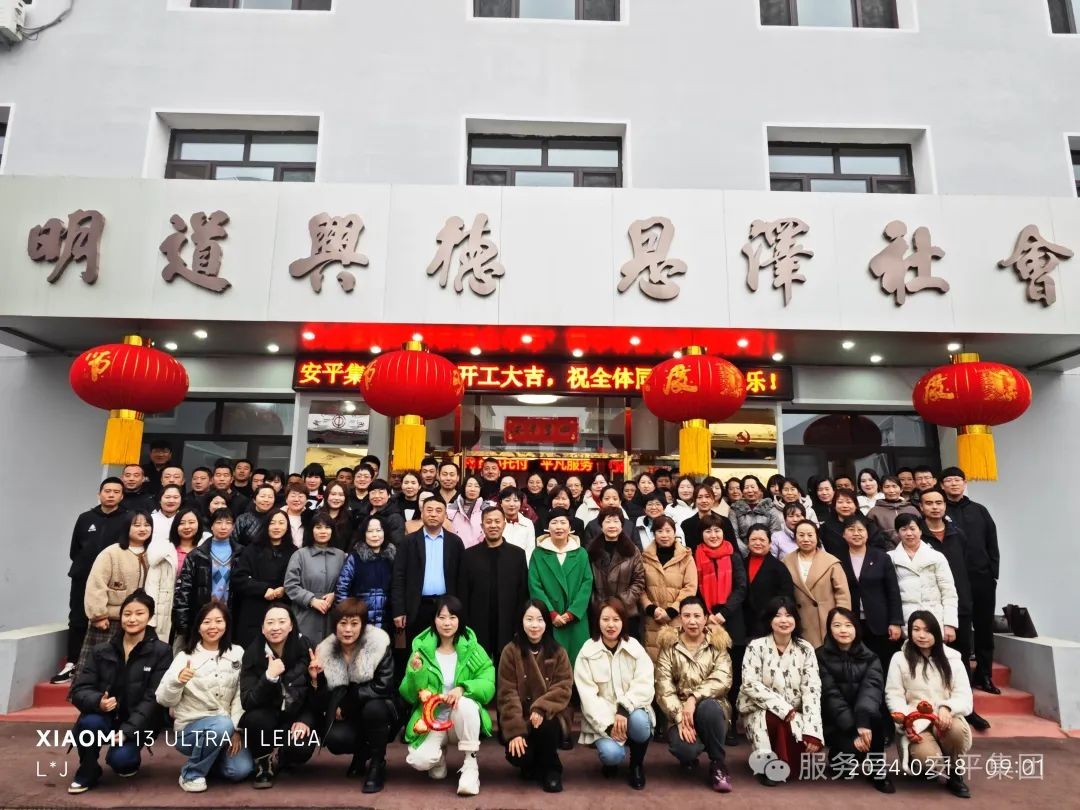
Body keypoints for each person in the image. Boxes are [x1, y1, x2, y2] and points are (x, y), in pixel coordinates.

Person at [66, 590, 172, 794]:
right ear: (121, 616)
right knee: (89, 723)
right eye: (127, 614)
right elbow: (79, 689)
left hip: (136, 721)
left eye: (139, 613)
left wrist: (128, 730)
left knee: (122, 761)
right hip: (104, 716)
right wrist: (98, 701)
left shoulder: (161, 652)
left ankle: (125, 755)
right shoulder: (101, 650)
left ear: (150, 617)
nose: (132, 619)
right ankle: (88, 770)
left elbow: (153, 698)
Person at [400, 596, 495, 797]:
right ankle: (439, 756)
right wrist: (416, 673)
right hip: (432, 719)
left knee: (466, 704)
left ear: (460, 620)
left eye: (452, 617)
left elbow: (488, 682)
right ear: (434, 619)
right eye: (441, 617)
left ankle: (470, 765)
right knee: (419, 761)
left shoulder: (472, 648)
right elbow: (409, 695)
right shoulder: (422, 650)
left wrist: (463, 688)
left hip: (460, 719)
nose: (447, 623)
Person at [155, 600, 253, 792]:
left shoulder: (237, 653)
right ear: (198, 627)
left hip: (226, 728)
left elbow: (240, 695)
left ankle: (207, 761)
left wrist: (236, 729)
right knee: (221, 725)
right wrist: (177, 681)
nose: (213, 626)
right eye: (207, 622)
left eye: (218, 621)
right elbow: (163, 699)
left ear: (226, 625)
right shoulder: (185, 657)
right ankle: (191, 774)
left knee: (240, 770)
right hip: (190, 731)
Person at [309, 597, 397, 794]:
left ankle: (377, 763)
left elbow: (384, 685)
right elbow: (321, 702)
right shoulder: (325, 650)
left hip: (380, 710)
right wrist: (317, 680)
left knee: (373, 709)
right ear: (335, 625)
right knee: (335, 739)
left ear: (363, 626)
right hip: (348, 717)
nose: (348, 630)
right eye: (343, 623)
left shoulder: (378, 644)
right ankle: (362, 752)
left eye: (354, 624)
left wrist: (349, 702)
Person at [918, 486, 987, 730]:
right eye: (929, 503)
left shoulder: (958, 534)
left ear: (945, 506)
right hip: (929, 607)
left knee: (961, 658)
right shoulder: (918, 536)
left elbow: (965, 568)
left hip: (959, 604)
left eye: (939, 502)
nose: (935, 507)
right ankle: (929, 711)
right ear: (921, 507)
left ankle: (967, 708)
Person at [885, 611, 973, 798]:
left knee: (957, 731)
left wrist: (947, 707)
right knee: (927, 759)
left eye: (927, 630)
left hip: (945, 718)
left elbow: (964, 696)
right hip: (916, 722)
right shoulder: (899, 659)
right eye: (916, 629)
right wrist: (906, 721)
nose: (921, 635)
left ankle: (955, 772)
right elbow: (893, 695)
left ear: (937, 632)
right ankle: (922, 761)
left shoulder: (953, 660)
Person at [738, 596, 823, 786]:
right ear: (769, 620)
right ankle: (768, 767)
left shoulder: (806, 649)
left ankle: (783, 762)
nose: (784, 620)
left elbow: (812, 690)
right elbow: (749, 684)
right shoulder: (756, 646)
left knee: (799, 736)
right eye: (778, 615)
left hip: (795, 713)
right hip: (760, 709)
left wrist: (813, 731)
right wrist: (783, 708)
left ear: (796, 620)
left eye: (789, 615)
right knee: (773, 718)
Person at [654, 595, 735, 793]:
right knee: (686, 749)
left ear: (706, 618)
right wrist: (680, 717)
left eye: (697, 616)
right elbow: (663, 687)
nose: (692, 621)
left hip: (712, 707)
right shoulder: (669, 645)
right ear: (680, 618)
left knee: (709, 708)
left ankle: (718, 763)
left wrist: (693, 698)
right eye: (687, 616)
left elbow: (723, 679)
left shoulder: (717, 643)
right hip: (679, 710)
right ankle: (690, 755)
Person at [54, 478, 130, 684]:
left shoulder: (128, 518)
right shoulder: (85, 518)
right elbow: (75, 550)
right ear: (99, 494)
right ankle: (72, 663)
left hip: (113, 581)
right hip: (83, 576)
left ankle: (105, 668)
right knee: (78, 618)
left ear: (122, 496)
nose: (111, 495)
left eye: (116, 492)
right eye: (107, 491)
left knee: (109, 621)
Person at [574, 598, 655, 790]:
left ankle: (636, 765)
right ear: (597, 621)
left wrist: (624, 709)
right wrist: (610, 726)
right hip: (603, 721)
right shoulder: (587, 652)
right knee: (612, 755)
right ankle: (611, 762)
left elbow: (645, 684)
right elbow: (588, 698)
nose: (611, 625)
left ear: (623, 622)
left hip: (630, 712)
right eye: (605, 619)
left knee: (640, 722)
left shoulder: (634, 647)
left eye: (616, 619)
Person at [497, 599, 573, 793]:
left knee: (545, 724)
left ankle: (552, 769)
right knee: (519, 756)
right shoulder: (510, 651)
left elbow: (563, 687)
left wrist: (540, 707)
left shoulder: (558, 652)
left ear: (546, 623)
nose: (534, 625)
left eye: (539, 620)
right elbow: (507, 693)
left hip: (550, 716)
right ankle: (533, 763)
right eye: (529, 619)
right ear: (521, 621)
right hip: (521, 717)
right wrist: (515, 731)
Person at [238, 603, 318, 788]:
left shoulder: (306, 649)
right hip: (267, 715)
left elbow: (317, 697)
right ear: (262, 628)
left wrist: (305, 719)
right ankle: (263, 763)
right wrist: (269, 677)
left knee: (300, 748)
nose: (275, 627)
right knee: (255, 719)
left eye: (282, 622)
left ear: (291, 626)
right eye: (270, 622)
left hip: (295, 715)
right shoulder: (253, 653)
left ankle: (284, 757)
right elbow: (248, 701)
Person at [816, 607, 894, 793]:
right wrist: (854, 730)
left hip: (862, 720)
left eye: (848, 625)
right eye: (837, 625)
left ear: (856, 628)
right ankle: (838, 755)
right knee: (844, 765)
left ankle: (877, 772)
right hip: (835, 722)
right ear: (829, 629)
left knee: (875, 716)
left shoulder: (870, 657)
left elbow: (871, 691)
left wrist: (862, 722)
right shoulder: (819, 656)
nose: (843, 630)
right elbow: (830, 696)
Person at [940, 466, 1001, 694]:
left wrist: (993, 572)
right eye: (949, 480)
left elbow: (992, 541)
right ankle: (962, 678)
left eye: (958, 480)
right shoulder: (941, 511)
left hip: (981, 578)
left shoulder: (979, 510)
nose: (954, 484)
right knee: (960, 631)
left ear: (964, 483)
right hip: (954, 581)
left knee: (984, 628)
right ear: (942, 485)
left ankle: (984, 675)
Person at [78, 510, 153, 673]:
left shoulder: (153, 553)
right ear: (126, 527)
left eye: (147, 525)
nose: (143, 529)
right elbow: (96, 584)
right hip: (110, 621)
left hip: (140, 620)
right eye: (137, 525)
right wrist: (98, 615)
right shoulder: (112, 553)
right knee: (101, 668)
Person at [391, 495, 465, 649]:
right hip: (416, 607)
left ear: (445, 515)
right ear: (422, 513)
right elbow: (398, 577)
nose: (433, 514)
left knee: (446, 650)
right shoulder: (408, 542)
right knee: (417, 651)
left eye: (438, 511)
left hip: (446, 607)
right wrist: (398, 610)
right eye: (429, 510)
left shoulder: (455, 542)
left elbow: (461, 578)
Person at [458, 506, 530, 662]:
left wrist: (519, 624)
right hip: (477, 624)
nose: (493, 525)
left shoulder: (517, 555)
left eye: (497, 521)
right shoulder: (469, 555)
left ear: (504, 524)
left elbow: (523, 593)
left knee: (506, 666)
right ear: (482, 526)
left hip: (508, 624)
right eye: (488, 522)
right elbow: (463, 593)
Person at [836, 514, 903, 677]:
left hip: (879, 622)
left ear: (867, 533)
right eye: (851, 530)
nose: (856, 533)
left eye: (860, 530)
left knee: (883, 664)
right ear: (844, 534)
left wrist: (895, 622)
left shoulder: (882, 557)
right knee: (856, 667)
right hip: (851, 621)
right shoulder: (837, 559)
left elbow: (893, 591)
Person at [529, 508, 593, 673]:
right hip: (549, 619)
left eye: (563, 522)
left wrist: (571, 613)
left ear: (570, 527)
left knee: (578, 664)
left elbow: (587, 584)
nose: (559, 527)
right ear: (547, 528)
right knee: (550, 666)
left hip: (576, 619)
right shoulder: (538, 554)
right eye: (554, 523)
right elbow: (535, 585)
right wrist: (551, 613)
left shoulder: (581, 553)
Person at [173, 509, 242, 644]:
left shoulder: (241, 553)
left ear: (233, 526)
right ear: (211, 526)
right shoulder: (196, 555)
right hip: (202, 615)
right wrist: (182, 625)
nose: (223, 527)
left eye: (228, 523)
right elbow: (183, 592)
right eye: (219, 522)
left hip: (231, 615)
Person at [782, 520, 851, 648]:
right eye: (801, 535)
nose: (806, 539)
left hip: (825, 619)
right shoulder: (786, 561)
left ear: (817, 536)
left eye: (810, 535)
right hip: (798, 620)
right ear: (795, 537)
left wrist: (841, 621)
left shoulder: (831, 562)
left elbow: (842, 595)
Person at [888, 514, 959, 638]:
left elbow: (948, 593)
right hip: (905, 621)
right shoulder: (889, 558)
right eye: (903, 529)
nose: (909, 533)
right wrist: (894, 622)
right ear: (898, 533)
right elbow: (888, 595)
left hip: (934, 618)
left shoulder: (936, 556)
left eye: (912, 528)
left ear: (920, 531)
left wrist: (950, 623)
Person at [640, 515, 697, 660]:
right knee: (653, 660)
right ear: (654, 534)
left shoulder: (686, 557)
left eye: (668, 531)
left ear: (674, 532)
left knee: (677, 661)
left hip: (677, 618)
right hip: (652, 619)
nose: (664, 535)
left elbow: (690, 587)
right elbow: (640, 587)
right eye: (659, 531)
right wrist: (651, 608)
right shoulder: (645, 557)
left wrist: (672, 611)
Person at [232, 511, 292, 646]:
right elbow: (238, 578)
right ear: (266, 525)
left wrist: (284, 589)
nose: (277, 527)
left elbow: (297, 581)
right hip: (253, 610)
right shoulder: (252, 550)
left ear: (287, 527)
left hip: (281, 610)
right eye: (272, 523)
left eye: (281, 523)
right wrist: (263, 589)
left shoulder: (293, 551)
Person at [145, 505, 202, 647]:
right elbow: (152, 586)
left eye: (191, 522)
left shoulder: (204, 550)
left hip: (193, 608)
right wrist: (151, 616)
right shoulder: (164, 550)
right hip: (166, 607)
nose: (187, 527)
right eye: (182, 523)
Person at [284, 514, 346, 643]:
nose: (323, 531)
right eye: (318, 527)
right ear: (311, 530)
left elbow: (349, 584)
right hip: (305, 615)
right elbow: (290, 585)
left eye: (327, 527)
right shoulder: (300, 555)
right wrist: (311, 600)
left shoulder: (342, 556)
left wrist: (335, 594)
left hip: (334, 615)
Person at [588, 507, 646, 640]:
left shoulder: (632, 551)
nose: (612, 525)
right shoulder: (591, 551)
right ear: (601, 525)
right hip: (599, 611)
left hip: (627, 611)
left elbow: (639, 581)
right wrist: (598, 603)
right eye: (608, 521)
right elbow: (587, 582)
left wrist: (621, 602)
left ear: (622, 525)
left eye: (616, 521)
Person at [335, 515, 396, 631]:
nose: (375, 535)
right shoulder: (354, 558)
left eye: (378, 530)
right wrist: (348, 615)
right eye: (370, 531)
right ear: (364, 534)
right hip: (359, 621)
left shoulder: (392, 557)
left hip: (387, 622)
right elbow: (341, 588)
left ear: (385, 532)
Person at [742, 524, 796, 640]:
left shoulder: (779, 567)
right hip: (744, 623)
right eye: (753, 539)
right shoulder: (741, 564)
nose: (757, 543)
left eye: (762, 540)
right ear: (747, 543)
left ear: (770, 543)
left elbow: (786, 596)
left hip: (769, 623)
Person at [822, 487, 888, 557]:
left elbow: (879, 548)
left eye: (849, 502)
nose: (845, 506)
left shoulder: (868, 524)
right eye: (840, 502)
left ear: (856, 505)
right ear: (834, 506)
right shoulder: (826, 527)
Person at [729, 475, 782, 554]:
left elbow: (775, 534)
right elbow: (734, 536)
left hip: (766, 553)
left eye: (753, 487)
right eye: (746, 487)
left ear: (759, 489)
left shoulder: (770, 508)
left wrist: (764, 552)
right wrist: (747, 553)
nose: (750, 490)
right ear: (742, 491)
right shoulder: (735, 509)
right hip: (743, 554)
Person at [681, 484, 737, 554]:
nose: (704, 500)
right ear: (695, 501)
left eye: (707, 497)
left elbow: (734, 549)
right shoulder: (686, 525)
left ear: (713, 500)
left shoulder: (724, 521)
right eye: (699, 497)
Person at [866, 475, 920, 548]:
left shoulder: (912, 509)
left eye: (894, 486)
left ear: (901, 489)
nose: (891, 491)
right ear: (881, 490)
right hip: (885, 551)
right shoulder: (874, 512)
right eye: (887, 487)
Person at [361, 479, 407, 547]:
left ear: (389, 495)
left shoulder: (395, 517)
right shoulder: (362, 513)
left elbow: (397, 542)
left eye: (381, 492)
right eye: (373, 493)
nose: (377, 496)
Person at [447, 474, 485, 549]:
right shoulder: (451, 509)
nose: (472, 489)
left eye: (476, 486)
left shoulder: (487, 509)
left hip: (480, 552)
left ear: (481, 489)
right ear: (464, 488)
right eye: (469, 485)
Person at [499, 487, 537, 561]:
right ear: (501, 503)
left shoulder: (528, 523)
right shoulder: (496, 523)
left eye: (516, 500)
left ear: (520, 503)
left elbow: (530, 550)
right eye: (507, 500)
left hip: (522, 565)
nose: (511, 504)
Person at [316, 481, 354, 552]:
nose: (336, 498)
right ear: (326, 495)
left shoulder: (351, 518)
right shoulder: (316, 515)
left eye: (341, 495)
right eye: (333, 494)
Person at [281, 483, 310, 547]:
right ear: (286, 499)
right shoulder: (278, 516)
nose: (296, 499)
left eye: (300, 496)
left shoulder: (311, 517)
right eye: (293, 496)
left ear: (306, 500)